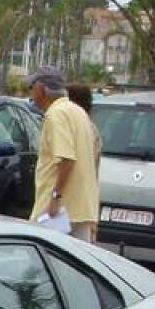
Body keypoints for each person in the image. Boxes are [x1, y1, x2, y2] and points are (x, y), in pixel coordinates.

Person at [26, 66, 100, 242]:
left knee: (41, 259)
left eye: (31, 88)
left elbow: (66, 159)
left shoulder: (56, 114)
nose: (30, 93)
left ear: (41, 89)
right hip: (81, 209)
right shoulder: (78, 112)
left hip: (59, 212)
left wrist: (55, 198)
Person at [67, 82, 103, 240]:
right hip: (85, 205)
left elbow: (69, 163)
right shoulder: (91, 129)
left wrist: (54, 196)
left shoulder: (80, 128)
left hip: (71, 205)